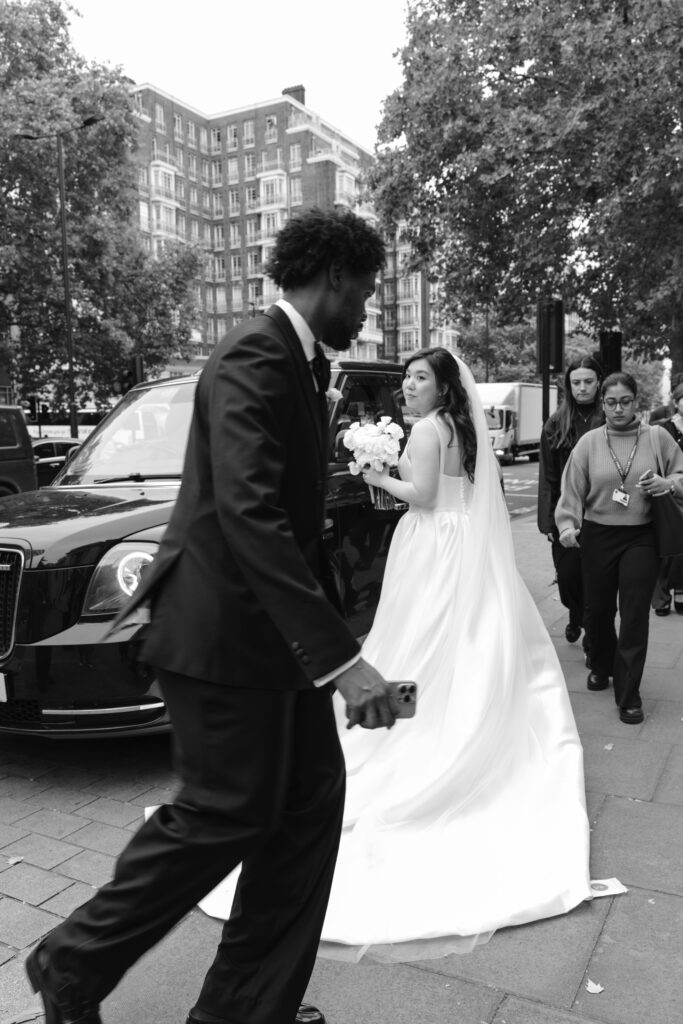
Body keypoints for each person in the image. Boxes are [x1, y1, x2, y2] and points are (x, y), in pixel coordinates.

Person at [24, 208, 399, 1024]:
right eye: (365, 290)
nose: (366, 309)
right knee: (223, 811)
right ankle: (71, 961)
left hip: (272, 646)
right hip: (220, 639)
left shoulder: (297, 364)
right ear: (333, 277)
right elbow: (250, 516)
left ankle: (243, 1010)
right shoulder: (253, 357)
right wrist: (344, 661)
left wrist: (327, 650)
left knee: (304, 812)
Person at [200, 347, 593, 961]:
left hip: (434, 542)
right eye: (406, 377)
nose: (407, 387)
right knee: (459, 639)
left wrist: (374, 474)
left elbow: (426, 495)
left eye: (417, 378)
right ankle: (458, 709)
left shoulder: (430, 430)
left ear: (441, 389)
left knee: (423, 634)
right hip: (460, 545)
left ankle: (424, 726)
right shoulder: (455, 425)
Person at [556, 371, 683, 724]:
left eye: (625, 402)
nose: (617, 409)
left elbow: (681, 475)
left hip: (641, 537)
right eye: (610, 402)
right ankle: (600, 662)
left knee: (634, 614)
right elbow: (571, 490)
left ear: (636, 402)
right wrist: (567, 525)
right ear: (603, 403)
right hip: (598, 535)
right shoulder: (590, 443)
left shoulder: (656, 437)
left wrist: (667, 483)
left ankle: (629, 693)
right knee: (597, 611)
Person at [538, 356, 603, 654]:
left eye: (588, 381)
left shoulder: (609, 418)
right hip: (566, 514)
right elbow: (548, 475)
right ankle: (575, 613)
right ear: (568, 385)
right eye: (576, 382)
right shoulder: (556, 422)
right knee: (567, 579)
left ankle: (592, 633)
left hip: (602, 514)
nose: (582, 387)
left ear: (599, 382)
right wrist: (548, 522)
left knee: (596, 581)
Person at [650, 380, 683, 616]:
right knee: (663, 546)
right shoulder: (663, 428)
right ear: (677, 402)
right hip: (666, 493)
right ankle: (660, 598)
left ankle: (680, 591)